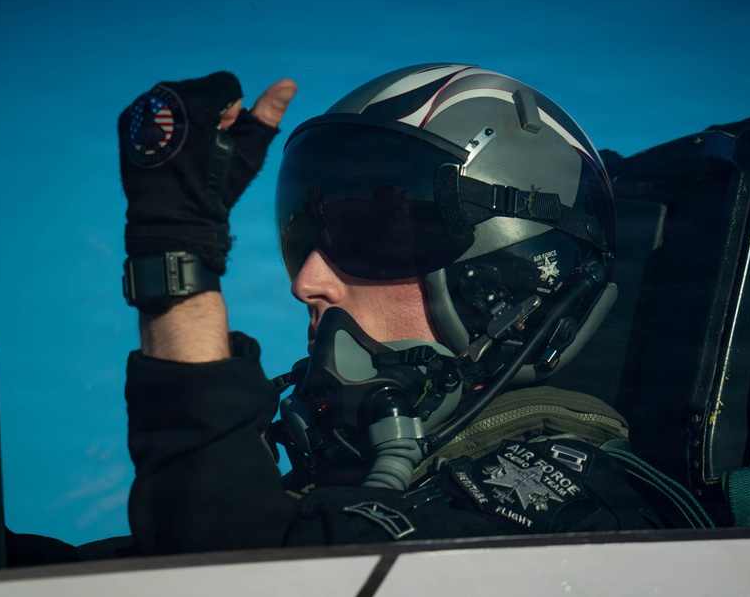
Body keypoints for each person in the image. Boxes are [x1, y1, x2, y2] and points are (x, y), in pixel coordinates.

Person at [119, 65, 709, 556]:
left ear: (506, 287)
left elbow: (227, 574)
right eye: (305, 241)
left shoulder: (576, 525)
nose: (307, 282)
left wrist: (175, 258)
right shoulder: (345, 484)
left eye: (371, 241)